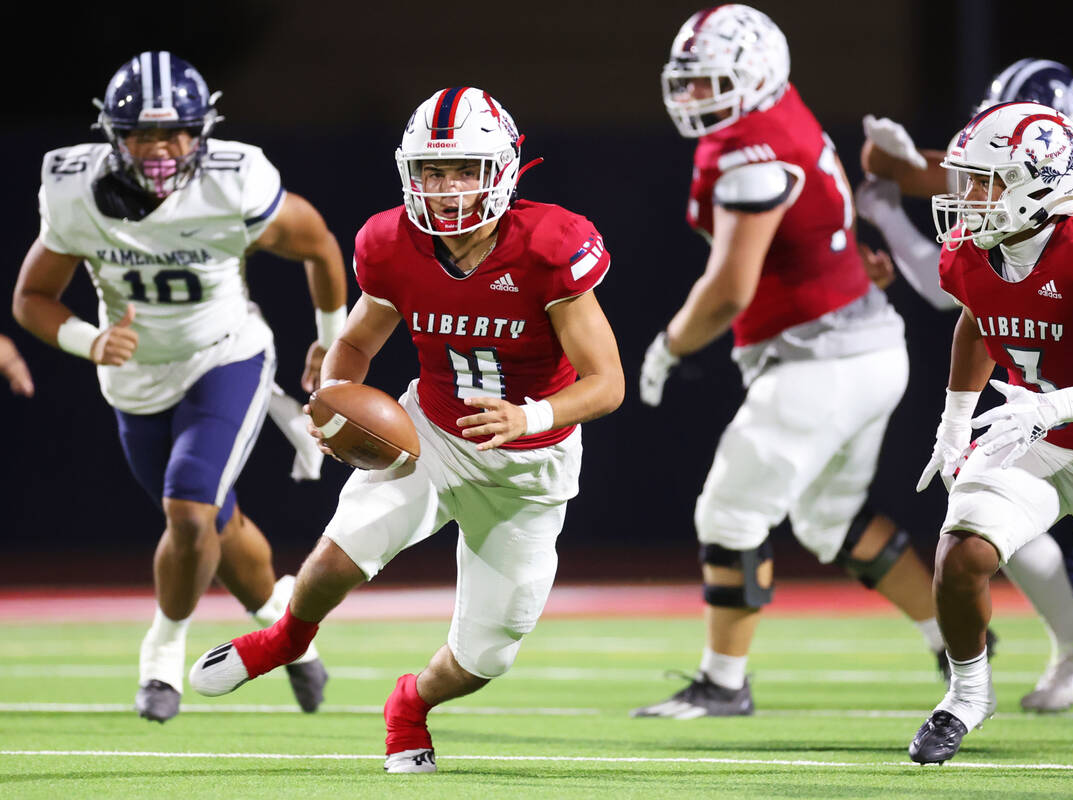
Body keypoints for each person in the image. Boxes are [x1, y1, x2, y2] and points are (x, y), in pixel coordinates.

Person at [188, 86, 624, 774]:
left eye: (464, 169)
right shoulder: (392, 243)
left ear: (505, 168)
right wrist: (335, 399)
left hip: (529, 464)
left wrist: (527, 415)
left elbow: (608, 383)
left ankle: (410, 703)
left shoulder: (549, 245)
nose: (446, 189)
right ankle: (284, 640)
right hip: (435, 435)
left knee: (488, 656)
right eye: (432, 170)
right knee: (338, 556)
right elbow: (357, 344)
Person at [631, 4, 965, 721]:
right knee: (830, 519)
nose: (696, 98)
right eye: (688, 83)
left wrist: (670, 344)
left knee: (729, 510)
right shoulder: (776, 110)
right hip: (864, 343)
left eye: (713, 82)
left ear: (755, 75)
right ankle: (959, 645)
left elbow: (728, 290)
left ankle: (723, 682)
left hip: (823, 358)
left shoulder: (750, 151)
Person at [12, 51, 347, 722]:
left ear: (202, 132)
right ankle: (284, 625)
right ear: (114, 135)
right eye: (141, 133)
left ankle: (161, 657)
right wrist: (90, 340)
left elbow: (319, 245)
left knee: (189, 511)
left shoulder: (234, 183)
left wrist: (331, 339)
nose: (160, 149)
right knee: (211, 524)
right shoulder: (77, 190)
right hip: (133, 377)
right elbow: (32, 297)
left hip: (225, 355)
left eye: (175, 133)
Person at [859, 58, 1073, 713]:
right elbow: (971, 307)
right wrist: (956, 422)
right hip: (1035, 409)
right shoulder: (1011, 192)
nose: (972, 188)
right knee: (989, 528)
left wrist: (891, 193)